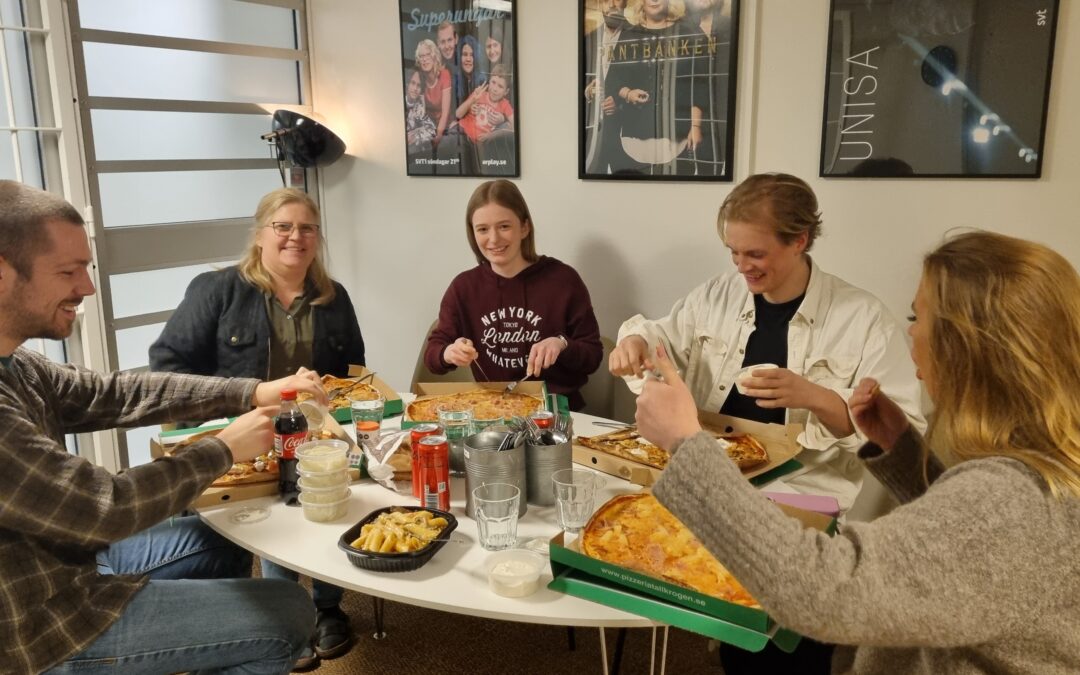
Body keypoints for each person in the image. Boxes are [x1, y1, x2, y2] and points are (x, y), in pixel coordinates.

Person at [634, 230, 1080, 674]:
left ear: (963, 348)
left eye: (917, 317)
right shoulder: (1039, 468)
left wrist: (685, 444)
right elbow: (964, 551)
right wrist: (902, 453)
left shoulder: (1011, 502)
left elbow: (821, 589)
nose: (911, 331)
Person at [0, 180, 324, 673]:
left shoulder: (19, 364)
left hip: (74, 560)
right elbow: (106, 508)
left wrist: (252, 391)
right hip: (43, 628)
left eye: (86, 268)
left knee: (234, 536)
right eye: (68, 271)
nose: (87, 288)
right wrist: (222, 448)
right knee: (290, 611)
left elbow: (115, 393)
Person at [610, 173, 924, 510]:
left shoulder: (865, 319)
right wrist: (637, 341)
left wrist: (816, 397)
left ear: (799, 241)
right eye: (734, 253)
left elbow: (904, 439)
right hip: (704, 479)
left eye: (755, 254)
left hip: (801, 497)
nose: (742, 267)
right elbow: (663, 337)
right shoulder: (717, 294)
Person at [149, 187, 364, 670]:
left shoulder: (334, 297)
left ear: (317, 237)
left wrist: (332, 398)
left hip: (315, 436)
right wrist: (242, 403)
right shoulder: (217, 290)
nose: (295, 237)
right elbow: (167, 365)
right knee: (274, 521)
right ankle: (282, 613)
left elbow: (353, 374)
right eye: (282, 227)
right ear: (260, 234)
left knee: (328, 504)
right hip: (248, 435)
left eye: (306, 228)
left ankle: (328, 607)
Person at [424, 180, 602, 411]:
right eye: (483, 229)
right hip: (492, 409)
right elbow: (433, 354)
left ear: (524, 227)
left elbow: (593, 356)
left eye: (504, 226)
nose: (494, 239)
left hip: (556, 411)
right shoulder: (463, 287)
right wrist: (448, 352)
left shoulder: (564, 280)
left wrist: (561, 344)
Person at [604, 0, 709, 175]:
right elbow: (613, 81)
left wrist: (696, 126)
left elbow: (700, 85)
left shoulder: (689, 33)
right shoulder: (629, 35)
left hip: (679, 140)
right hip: (633, 140)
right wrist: (628, 94)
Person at [455, 65, 514, 144]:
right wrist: (472, 99)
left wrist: (493, 134)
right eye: (493, 82)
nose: (495, 89)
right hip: (462, 131)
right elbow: (458, 114)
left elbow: (514, 126)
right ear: (489, 81)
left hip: (477, 144)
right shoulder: (480, 94)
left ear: (506, 92)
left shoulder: (504, 104)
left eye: (500, 86)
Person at [415, 38, 452, 150]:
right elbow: (421, 113)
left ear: (434, 56)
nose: (424, 59)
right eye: (421, 56)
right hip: (429, 127)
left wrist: (438, 136)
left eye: (427, 55)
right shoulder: (420, 79)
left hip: (446, 127)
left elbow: (445, 113)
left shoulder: (444, 75)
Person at [405, 67, 437, 154]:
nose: (415, 89)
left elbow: (432, 131)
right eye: (413, 83)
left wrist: (416, 135)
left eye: (419, 86)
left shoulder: (419, 107)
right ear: (407, 84)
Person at [452, 34, 487, 112]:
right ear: (459, 57)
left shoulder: (483, 80)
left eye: (472, 55)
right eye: (465, 54)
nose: (468, 59)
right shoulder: (454, 81)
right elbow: (453, 113)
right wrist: (468, 108)